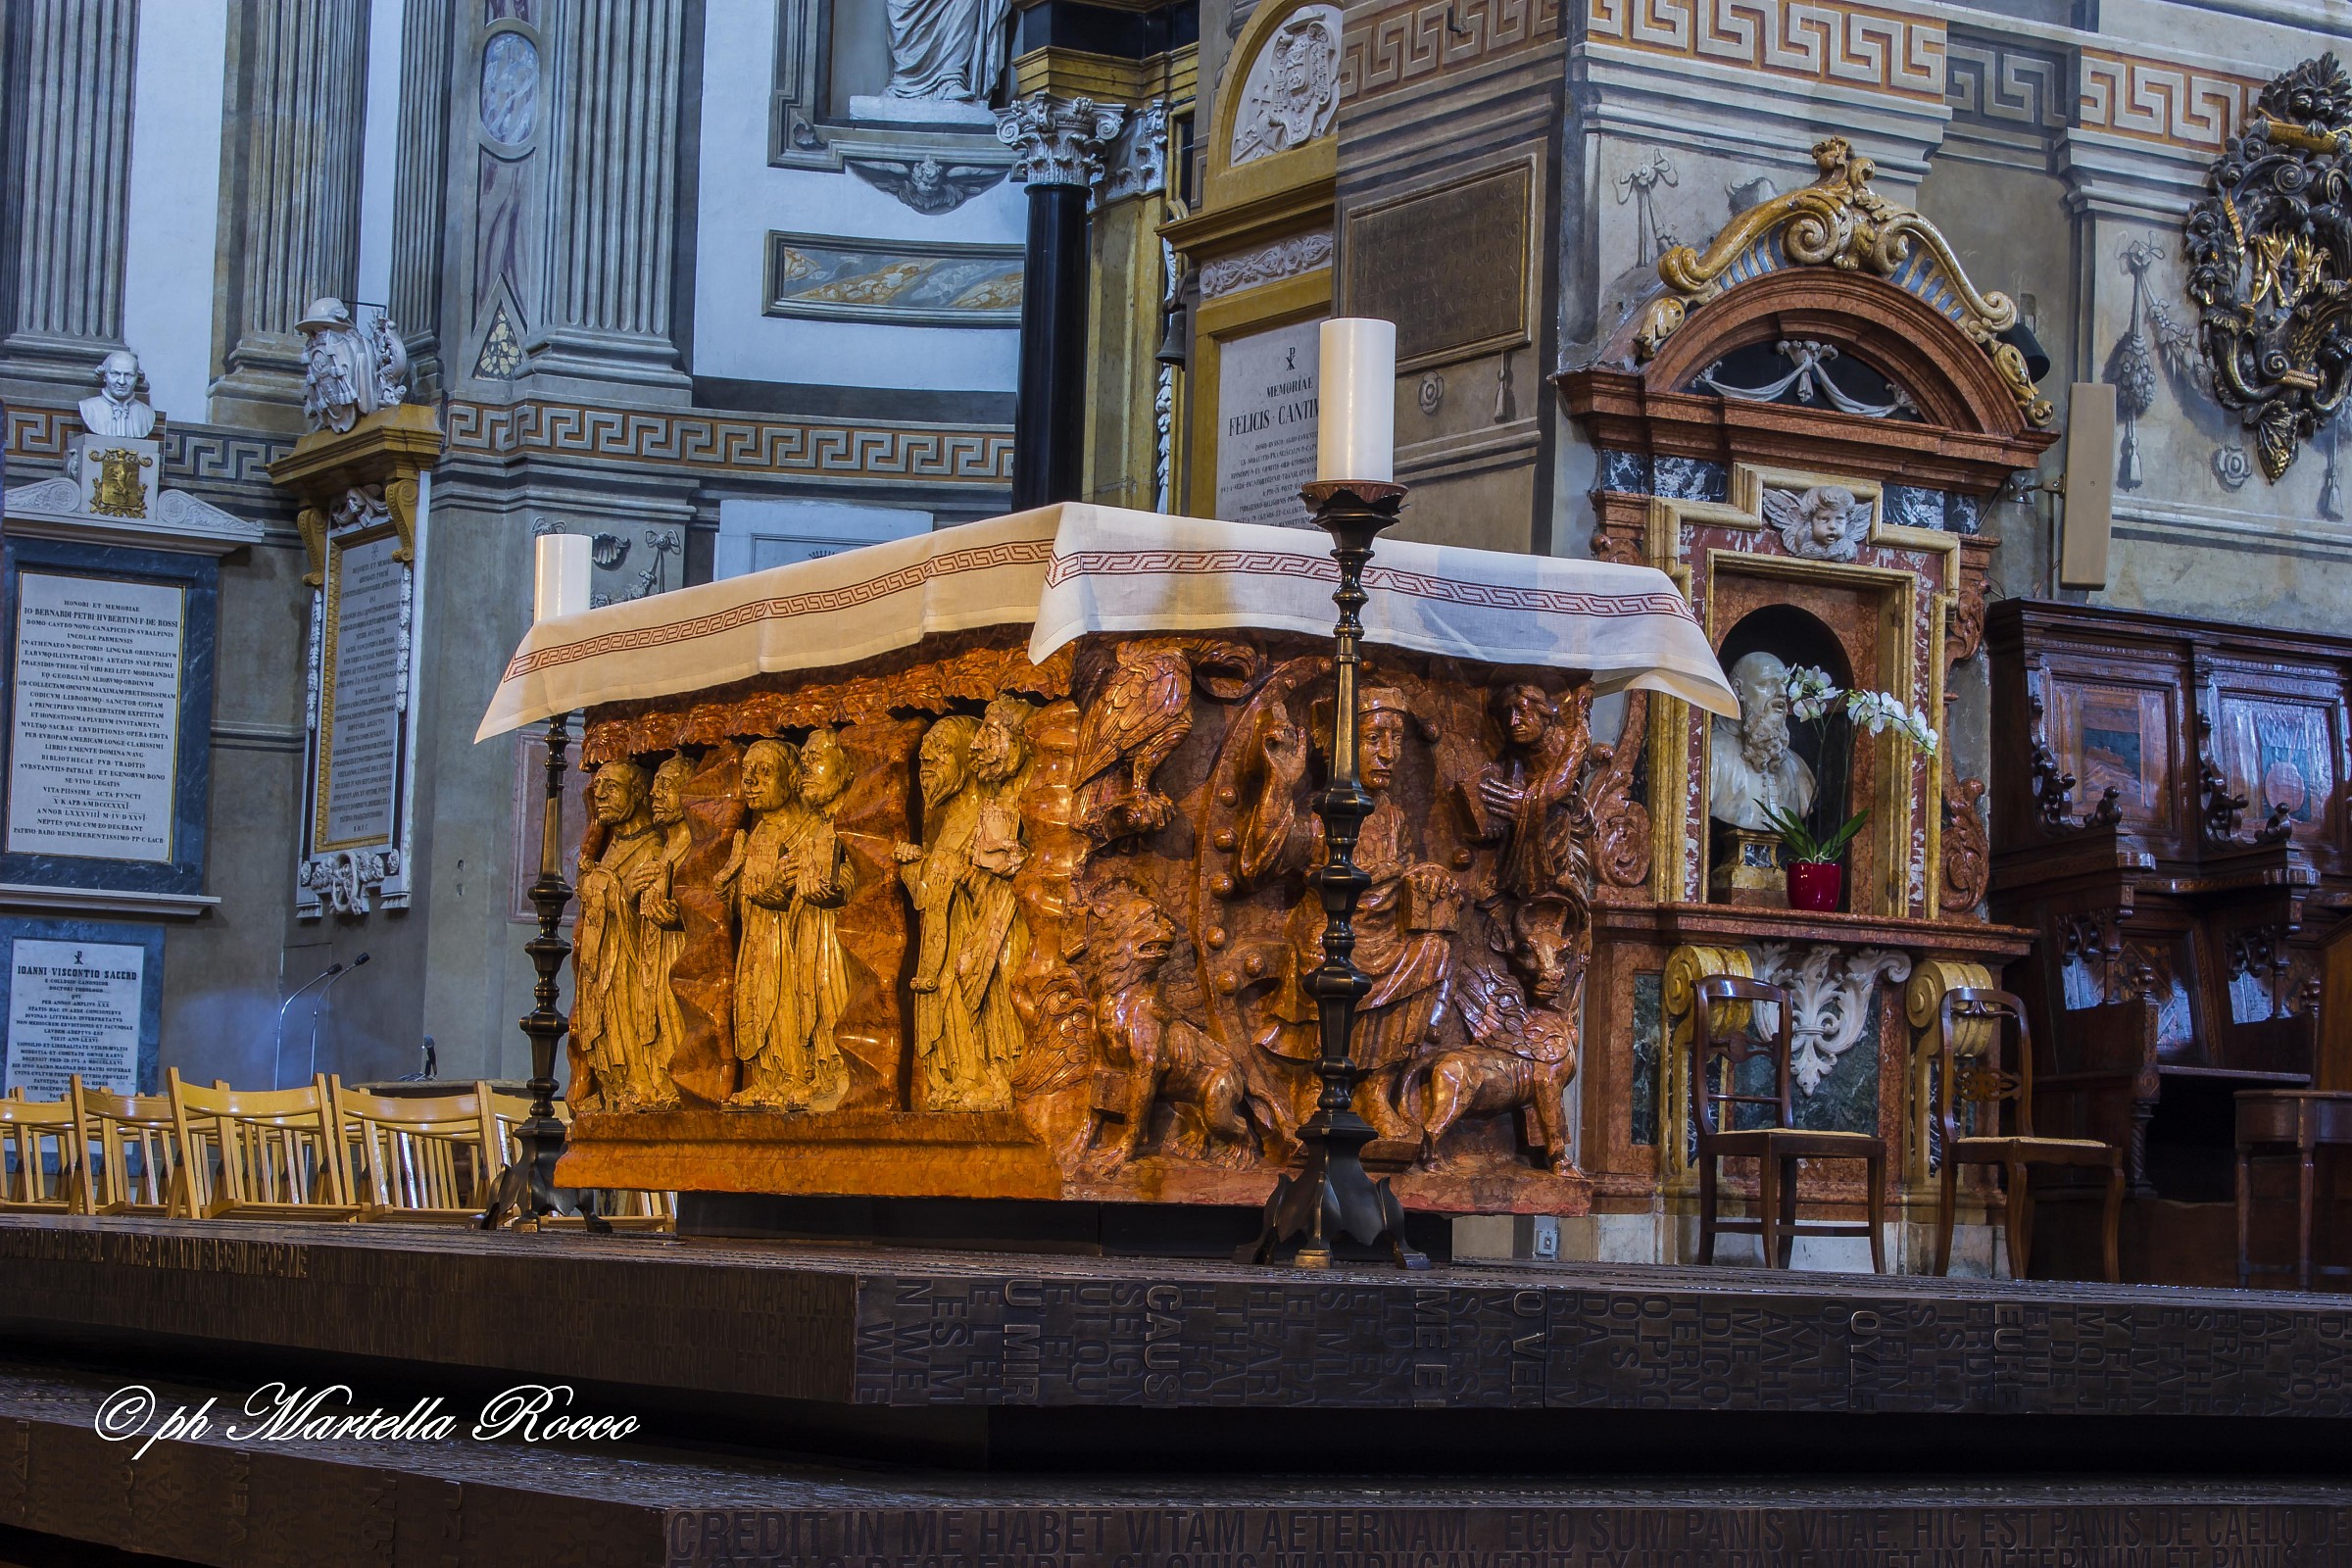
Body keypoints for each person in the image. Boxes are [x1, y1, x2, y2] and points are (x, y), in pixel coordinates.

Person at [1707, 651, 1817, 830]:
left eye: (1783, 684)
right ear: (1738, 690)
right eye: (1768, 684)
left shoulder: (1797, 767)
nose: (1782, 693)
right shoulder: (1711, 755)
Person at [77, 350, 154, 438]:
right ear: (104, 376)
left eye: (128, 375)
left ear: (137, 378)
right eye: (115, 374)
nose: (121, 381)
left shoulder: (147, 414)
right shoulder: (88, 408)